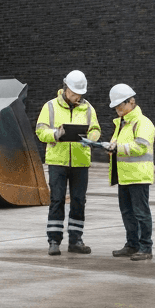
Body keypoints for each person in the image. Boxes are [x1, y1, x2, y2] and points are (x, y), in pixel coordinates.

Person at [34, 70, 101, 256]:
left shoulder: (88, 109)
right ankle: (54, 240)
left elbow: (96, 129)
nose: (77, 97)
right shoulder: (50, 107)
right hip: (58, 161)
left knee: (79, 201)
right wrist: (56, 134)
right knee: (57, 200)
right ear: (65, 89)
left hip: (80, 161)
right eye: (73, 93)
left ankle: (76, 240)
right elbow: (40, 131)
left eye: (79, 93)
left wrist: (92, 137)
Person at [104, 83, 155, 261]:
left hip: (138, 176)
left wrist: (116, 147)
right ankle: (132, 244)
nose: (117, 109)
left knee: (141, 213)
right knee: (127, 212)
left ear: (131, 102)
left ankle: (145, 247)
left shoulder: (143, 123)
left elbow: (140, 147)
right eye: (115, 106)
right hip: (124, 176)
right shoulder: (122, 124)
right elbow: (121, 147)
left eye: (120, 105)